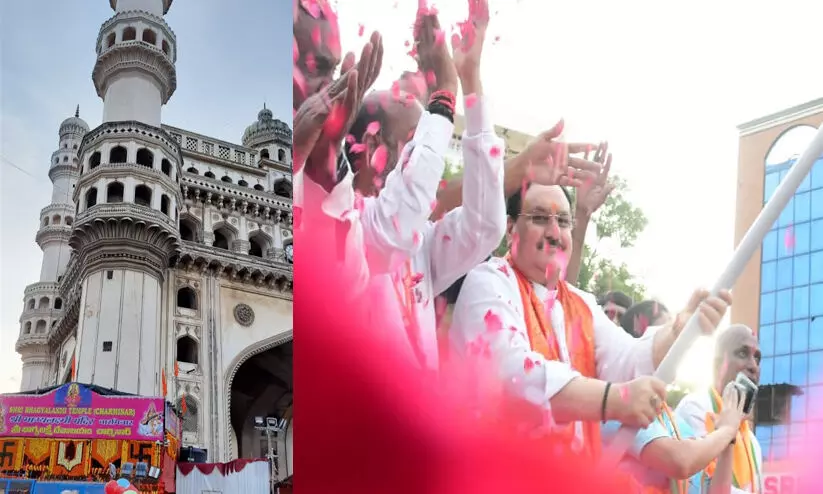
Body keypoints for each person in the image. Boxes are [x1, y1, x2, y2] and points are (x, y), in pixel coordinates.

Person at [449, 181, 733, 458]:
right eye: (539, 218)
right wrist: (614, 400)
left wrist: (679, 330)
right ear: (511, 228)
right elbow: (512, 377)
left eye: (562, 221)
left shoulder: (581, 303)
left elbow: (629, 361)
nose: (554, 233)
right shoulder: (488, 282)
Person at [601, 381, 745, 493]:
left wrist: (729, 440)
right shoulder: (615, 408)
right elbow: (680, 461)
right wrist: (727, 430)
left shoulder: (678, 422)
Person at [675, 324, 763, 493]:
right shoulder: (695, 408)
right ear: (717, 364)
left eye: (757, 358)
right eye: (743, 353)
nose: (753, 366)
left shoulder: (753, 443)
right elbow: (703, 486)